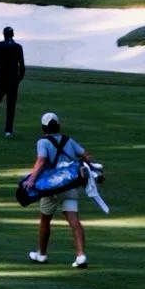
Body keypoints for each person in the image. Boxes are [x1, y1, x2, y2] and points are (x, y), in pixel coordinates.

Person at [22, 112, 94, 267]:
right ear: (58, 126)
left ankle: (41, 254)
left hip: (51, 186)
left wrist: (31, 180)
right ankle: (81, 255)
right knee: (74, 220)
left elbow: (41, 160)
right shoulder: (68, 140)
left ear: (43, 128)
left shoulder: (43, 142)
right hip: (69, 184)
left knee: (45, 219)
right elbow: (87, 156)